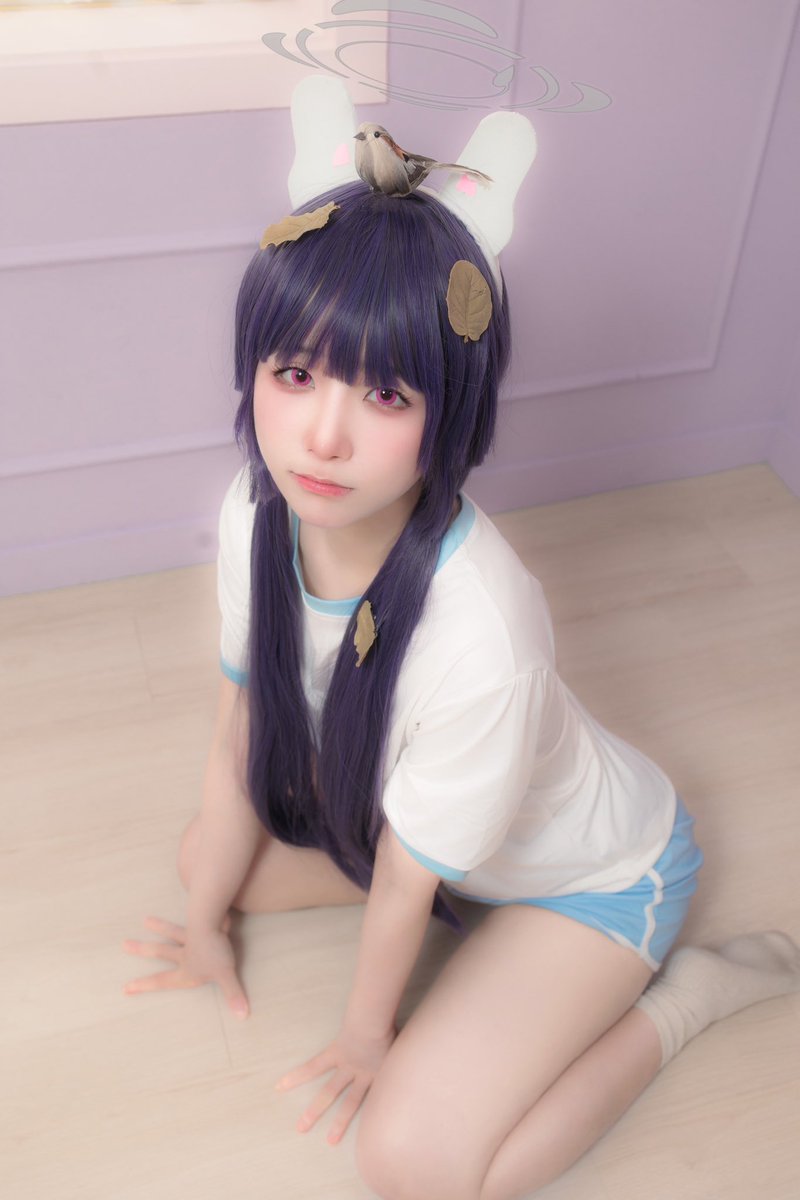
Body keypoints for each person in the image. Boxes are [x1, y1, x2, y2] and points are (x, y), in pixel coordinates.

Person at [123, 82, 800, 1200]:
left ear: (452, 411)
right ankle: (476, 918)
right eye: (295, 373)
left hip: (591, 879)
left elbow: (402, 877)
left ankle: (685, 1000)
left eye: (385, 394)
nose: (323, 435)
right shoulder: (255, 512)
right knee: (208, 858)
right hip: (441, 842)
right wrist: (202, 927)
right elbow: (241, 725)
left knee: (415, 1166)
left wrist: (366, 1037)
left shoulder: (482, 628)